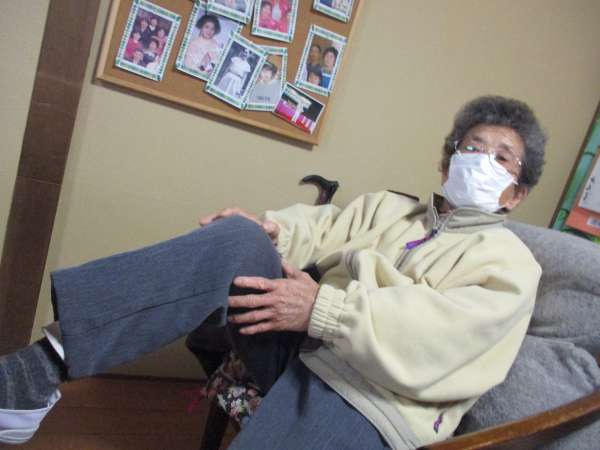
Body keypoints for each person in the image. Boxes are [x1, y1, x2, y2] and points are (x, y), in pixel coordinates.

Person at [0, 96, 547, 450]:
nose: (482, 160)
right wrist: (270, 229)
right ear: (447, 162)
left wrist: (322, 308)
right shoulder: (389, 207)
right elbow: (320, 226)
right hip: (304, 344)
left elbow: (441, 336)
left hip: (376, 401)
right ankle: (37, 371)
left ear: (517, 194)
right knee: (239, 239)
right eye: (472, 147)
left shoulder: (512, 267)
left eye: (502, 158)